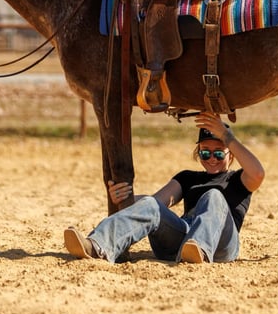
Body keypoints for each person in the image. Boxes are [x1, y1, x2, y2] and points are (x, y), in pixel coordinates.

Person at [64, 112, 265, 263]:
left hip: (222, 244)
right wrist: (125, 198)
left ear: (231, 155)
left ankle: (200, 250)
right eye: (205, 153)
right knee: (150, 204)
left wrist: (227, 136)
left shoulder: (238, 179)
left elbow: (258, 173)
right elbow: (155, 204)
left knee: (213, 196)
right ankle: (97, 246)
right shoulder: (188, 177)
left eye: (219, 153)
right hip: (183, 240)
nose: (212, 158)